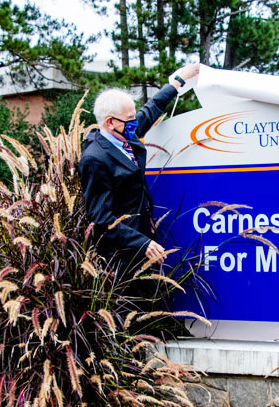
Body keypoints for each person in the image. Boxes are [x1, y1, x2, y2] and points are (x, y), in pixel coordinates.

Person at [79, 64, 200, 278]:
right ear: (109, 122)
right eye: (130, 120)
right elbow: (102, 218)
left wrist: (178, 81)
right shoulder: (95, 158)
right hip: (122, 255)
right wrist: (141, 243)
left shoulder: (124, 135)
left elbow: (150, 110)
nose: (135, 123)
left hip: (146, 241)